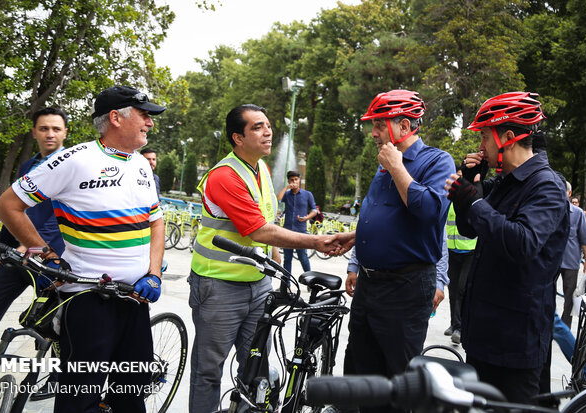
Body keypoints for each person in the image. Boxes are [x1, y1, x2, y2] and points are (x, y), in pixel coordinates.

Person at [0, 85, 166, 413]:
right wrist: (46, 253)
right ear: (116, 118)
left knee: (131, 393)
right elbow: (8, 205)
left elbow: (156, 223)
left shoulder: (142, 164)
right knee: (81, 397)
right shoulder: (73, 160)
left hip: (134, 299)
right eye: (145, 115)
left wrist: (154, 274)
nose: (150, 123)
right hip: (87, 301)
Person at [188, 104, 340, 413]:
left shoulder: (262, 170)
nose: (268, 131)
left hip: (257, 286)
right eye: (257, 127)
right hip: (218, 287)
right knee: (208, 371)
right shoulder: (224, 176)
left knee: (255, 368)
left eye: (268, 126)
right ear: (237, 137)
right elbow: (258, 230)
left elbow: (270, 220)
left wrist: (278, 271)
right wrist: (317, 242)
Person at [333, 89, 455, 413]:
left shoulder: (437, 161)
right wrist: (356, 247)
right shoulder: (384, 162)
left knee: (395, 381)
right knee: (359, 369)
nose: (373, 132)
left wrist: (398, 167)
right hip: (369, 287)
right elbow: (377, 217)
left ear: (404, 126)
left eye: (379, 124)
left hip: (406, 288)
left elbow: (429, 213)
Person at [445, 91, 569, 404]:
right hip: (484, 337)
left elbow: (522, 243)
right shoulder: (505, 181)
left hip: (515, 347)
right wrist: (473, 186)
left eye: (485, 136)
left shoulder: (546, 185)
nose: (481, 146)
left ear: (508, 137)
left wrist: (473, 200)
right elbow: (469, 228)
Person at [0, 107, 68, 361]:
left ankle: (62, 379)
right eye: (43, 129)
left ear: (64, 133)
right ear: (34, 132)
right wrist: (3, 247)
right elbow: (16, 208)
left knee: (59, 326)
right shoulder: (29, 165)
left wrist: (32, 247)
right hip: (18, 257)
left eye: (55, 129)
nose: (49, 134)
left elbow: (57, 218)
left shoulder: (72, 166)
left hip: (53, 261)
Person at [558, 180, 586, 328]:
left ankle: (565, 327)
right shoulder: (551, 210)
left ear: (569, 194)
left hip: (571, 261)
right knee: (545, 295)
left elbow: (584, 239)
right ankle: (547, 325)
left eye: (563, 191)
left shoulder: (578, 214)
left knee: (569, 297)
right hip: (551, 261)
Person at [444, 203, 476, 344]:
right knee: (453, 289)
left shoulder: (471, 200)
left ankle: (460, 328)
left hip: (470, 251)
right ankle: (454, 323)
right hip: (452, 250)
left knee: (462, 289)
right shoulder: (450, 202)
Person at [276, 170, 317, 274]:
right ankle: (286, 285)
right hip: (287, 231)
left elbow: (314, 210)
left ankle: (310, 280)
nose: (294, 182)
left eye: (296, 179)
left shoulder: (307, 194)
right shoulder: (287, 194)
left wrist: (307, 218)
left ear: (299, 180)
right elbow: (278, 199)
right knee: (287, 259)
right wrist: (286, 188)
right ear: (289, 181)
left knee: (303, 257)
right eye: (291, 180)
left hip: (301, 231)